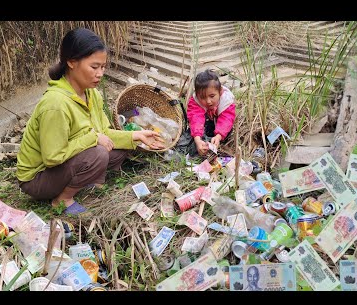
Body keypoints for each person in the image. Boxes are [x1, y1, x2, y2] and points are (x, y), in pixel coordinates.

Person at [16, 28, 164, 215]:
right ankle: (62, 199)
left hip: (67, 163)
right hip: (38, 178)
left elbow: (105, 132)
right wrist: (93, 138)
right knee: (99, 154)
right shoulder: (56, 103)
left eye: (103, 67)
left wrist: (137, 135)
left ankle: (86, 179)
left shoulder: (91, 93)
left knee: (120, 149)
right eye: (94, 67)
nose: (100, 73)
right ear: (71, 62)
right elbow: (52, 157)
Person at [185, 69, 236, 156]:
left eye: (212, 96)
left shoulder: (226, 100)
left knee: (225, 130)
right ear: (197, 95)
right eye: (203, 97)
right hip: (206, 124)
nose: (208, 101)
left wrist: (219, 136)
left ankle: (217, 140)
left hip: (220, 128)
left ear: (220, 91)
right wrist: (197, 139)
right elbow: (195, 118)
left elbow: (226, 120)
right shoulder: (195, 101)